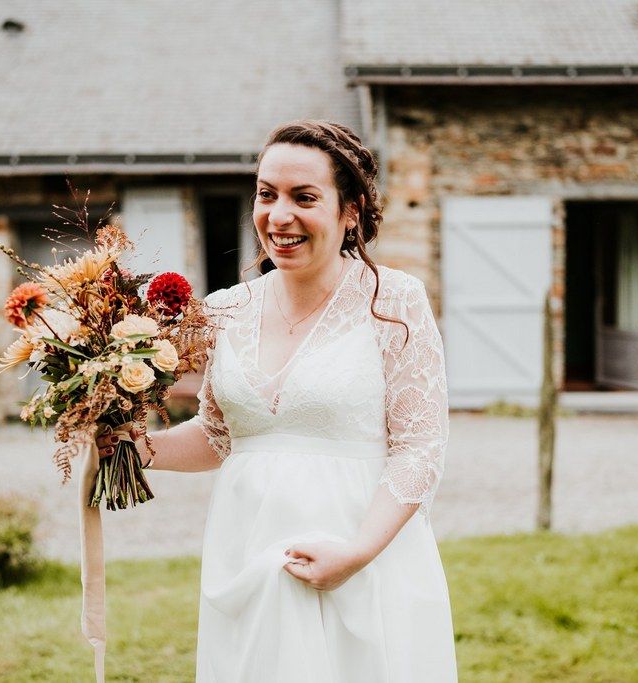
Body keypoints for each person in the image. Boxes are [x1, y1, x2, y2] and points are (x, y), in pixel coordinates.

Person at [96, 120, 458, 682]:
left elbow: (419, 449)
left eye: (304, 197)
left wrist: (357, 553)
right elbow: (221, 436)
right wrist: (132, 447)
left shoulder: (395, 301)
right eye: (266, 195)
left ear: (351, 210)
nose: (278, 215)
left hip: (361, 553)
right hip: (248, 550)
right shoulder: (225, 310)